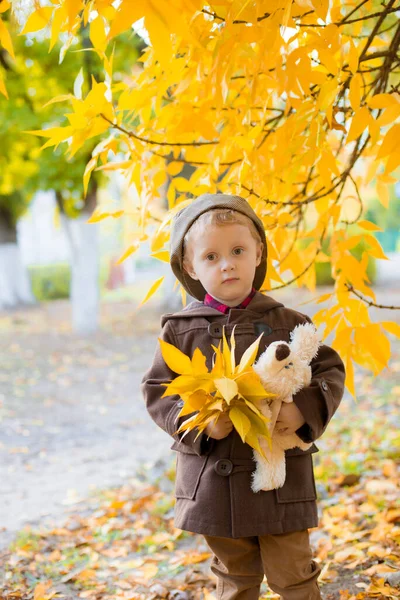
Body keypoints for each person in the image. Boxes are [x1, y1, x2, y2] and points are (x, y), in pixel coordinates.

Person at [141, 193, 345, 600]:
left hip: (279, 479)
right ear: (189, 266)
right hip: (217, 479)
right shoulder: (180, 331)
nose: (227, 264)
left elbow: (329, 370)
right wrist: (200, 423)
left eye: (237, 250)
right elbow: (159, 391)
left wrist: (302, 410)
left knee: (294, 573)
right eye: (211, 257)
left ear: (258, 253)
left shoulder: (290, 322)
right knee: (234, 579)